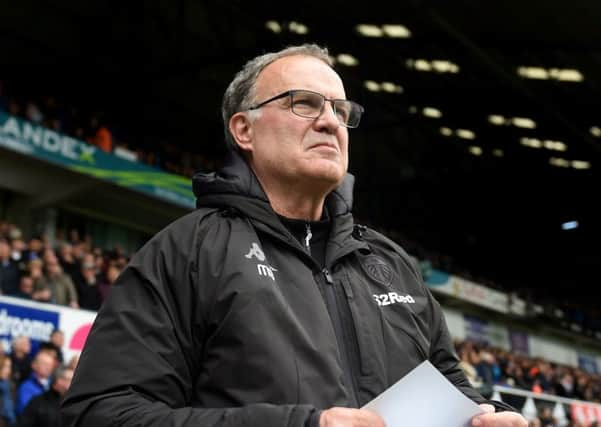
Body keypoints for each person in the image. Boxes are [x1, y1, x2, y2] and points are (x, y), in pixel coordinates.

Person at [62, 44, 527, 427]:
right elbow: (101, 413)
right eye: (304, 103)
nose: (330, 122)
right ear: (244, 129)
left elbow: (451, 384)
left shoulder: (391, 264)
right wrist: (303, 426)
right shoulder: (185, 252)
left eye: (340, 110)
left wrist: (489, 415)